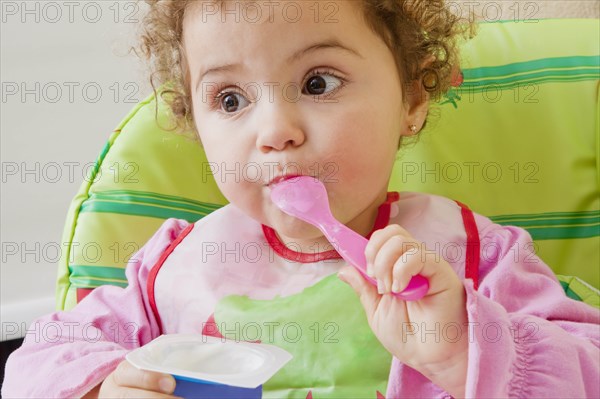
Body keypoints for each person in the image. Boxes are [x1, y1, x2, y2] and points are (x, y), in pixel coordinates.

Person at [3, 1, 599, 398]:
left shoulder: (473, 257)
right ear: (193, 121)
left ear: (413, 98)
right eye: (231, 100)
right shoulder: (172, 268)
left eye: (318, 83)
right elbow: (37, 361)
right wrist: (106, 383)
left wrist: (466, 349)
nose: (275, 129)